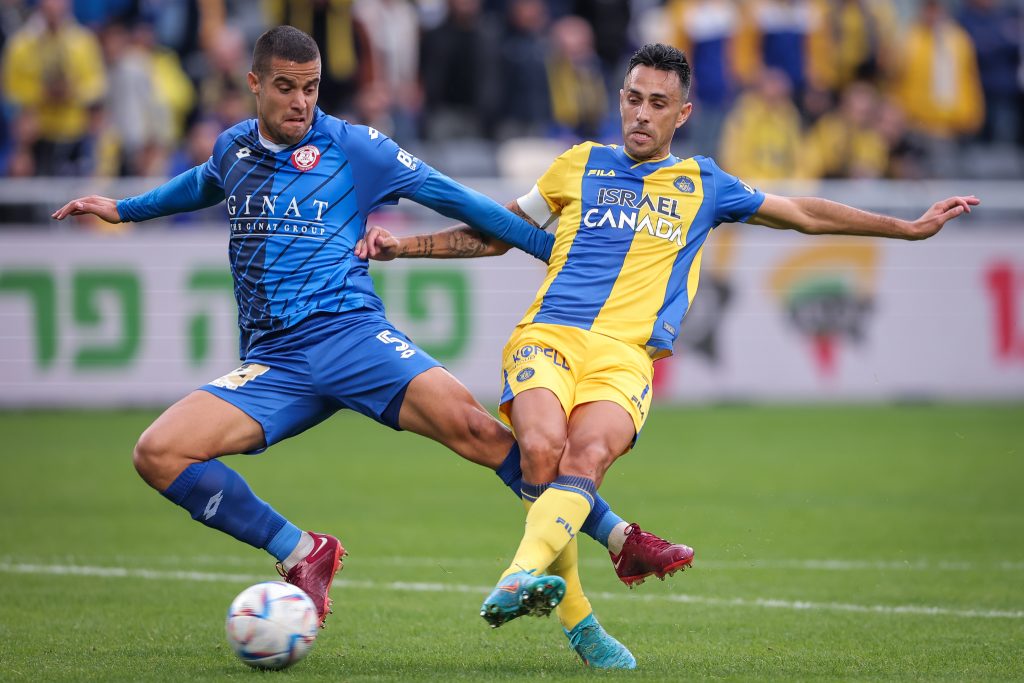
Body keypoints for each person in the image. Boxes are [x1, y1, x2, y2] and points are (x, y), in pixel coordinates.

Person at [51, 26, 692, 665]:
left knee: (485, 433)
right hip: (274, 363)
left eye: (311, 88)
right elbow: (201, 183)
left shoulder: (357, 147)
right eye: (285, 88)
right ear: (254, 84)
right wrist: (125, 209)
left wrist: (551, 249)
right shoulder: (233, 148)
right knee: (158, 453)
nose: (300, 102)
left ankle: (620, 537)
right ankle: (302, 551)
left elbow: (459, 200)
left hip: (354, 338)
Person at [357, 42, 980, 662]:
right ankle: (562, 605)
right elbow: (497, 234)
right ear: (620, 99)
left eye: (658, 103)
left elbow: (801, 213)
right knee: (541, 450)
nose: (641, 114)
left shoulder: (705, 183)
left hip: (626, 356)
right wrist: (404, 248)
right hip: (549, 336)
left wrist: (907, 227)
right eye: (633, 98)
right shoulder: (579, 164)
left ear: (682, 114)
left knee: (587, 456)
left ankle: (549, 594)